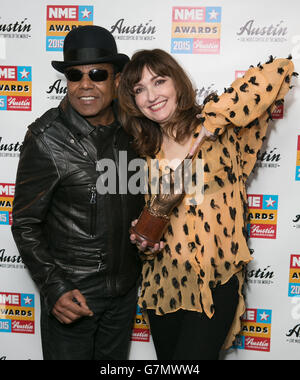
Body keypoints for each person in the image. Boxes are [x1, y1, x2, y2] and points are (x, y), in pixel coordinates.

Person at [118, 49, 295, 360]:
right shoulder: (144, 153)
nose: (151, 96)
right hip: (163, 285)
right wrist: (143, 239)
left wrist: (215, 116)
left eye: (159, 81)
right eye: (139, 89)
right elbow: (154, 224)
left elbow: (278, 69)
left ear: (178, 84)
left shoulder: (223, 134)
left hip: (214, 282)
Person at [11, 25, 144, 360]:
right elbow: (25, 223)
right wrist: (54, 288)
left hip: (124, 297)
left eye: (98, 74)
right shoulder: (46, 139)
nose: (86, 85)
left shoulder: (135, 131)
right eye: (75, 75)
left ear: (116, 81)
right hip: (73, 298)